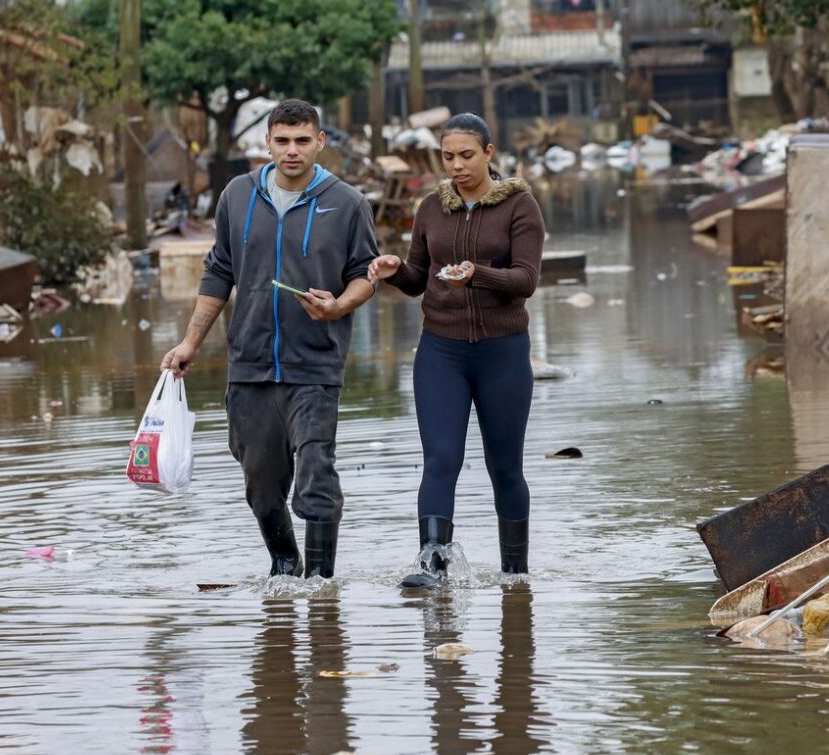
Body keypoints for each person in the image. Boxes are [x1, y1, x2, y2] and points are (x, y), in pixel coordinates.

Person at [161, 98, 396, 579]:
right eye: (283, 141)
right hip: (249, 364)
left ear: (320, 142)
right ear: (267, 142)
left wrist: (338, 305)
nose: (292, 150)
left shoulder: (348, 203)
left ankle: (322, 584)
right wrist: (190, 342)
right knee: (261, 483)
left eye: (303, 141)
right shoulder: (237, 195)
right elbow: (219, 272)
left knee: (316, 473)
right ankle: (285, 567)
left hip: (315, 364)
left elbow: (364, 275)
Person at [368, 113, 544, 588]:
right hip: (441, 353)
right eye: (448, 157)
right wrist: (394, 270)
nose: (457, 166)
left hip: (502, 353)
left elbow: (526, 279)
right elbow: (417, 279)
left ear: (489, 153)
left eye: (466, 155)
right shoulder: (431, 208)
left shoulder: (520, 206)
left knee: (504, 467)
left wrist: (476, 274)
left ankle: (515, 575)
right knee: (441, 458)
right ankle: (432, 563)